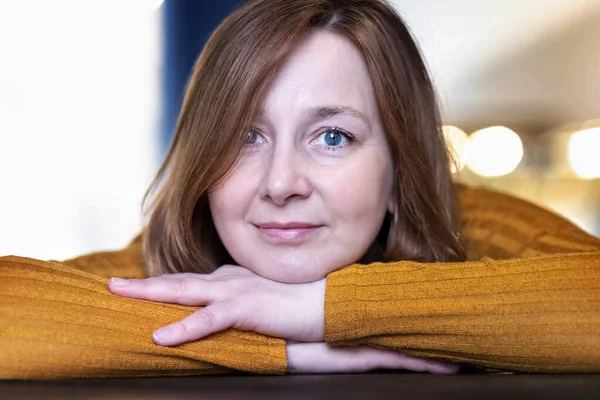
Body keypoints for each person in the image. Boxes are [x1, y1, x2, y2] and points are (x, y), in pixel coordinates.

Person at [1, 0, 599, 379]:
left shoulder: (480, 225)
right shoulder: (168, 267)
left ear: (400, 166)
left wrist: (316, 310)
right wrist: (280, 344)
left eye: (333, 136)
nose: (282, 184)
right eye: (244, 138)